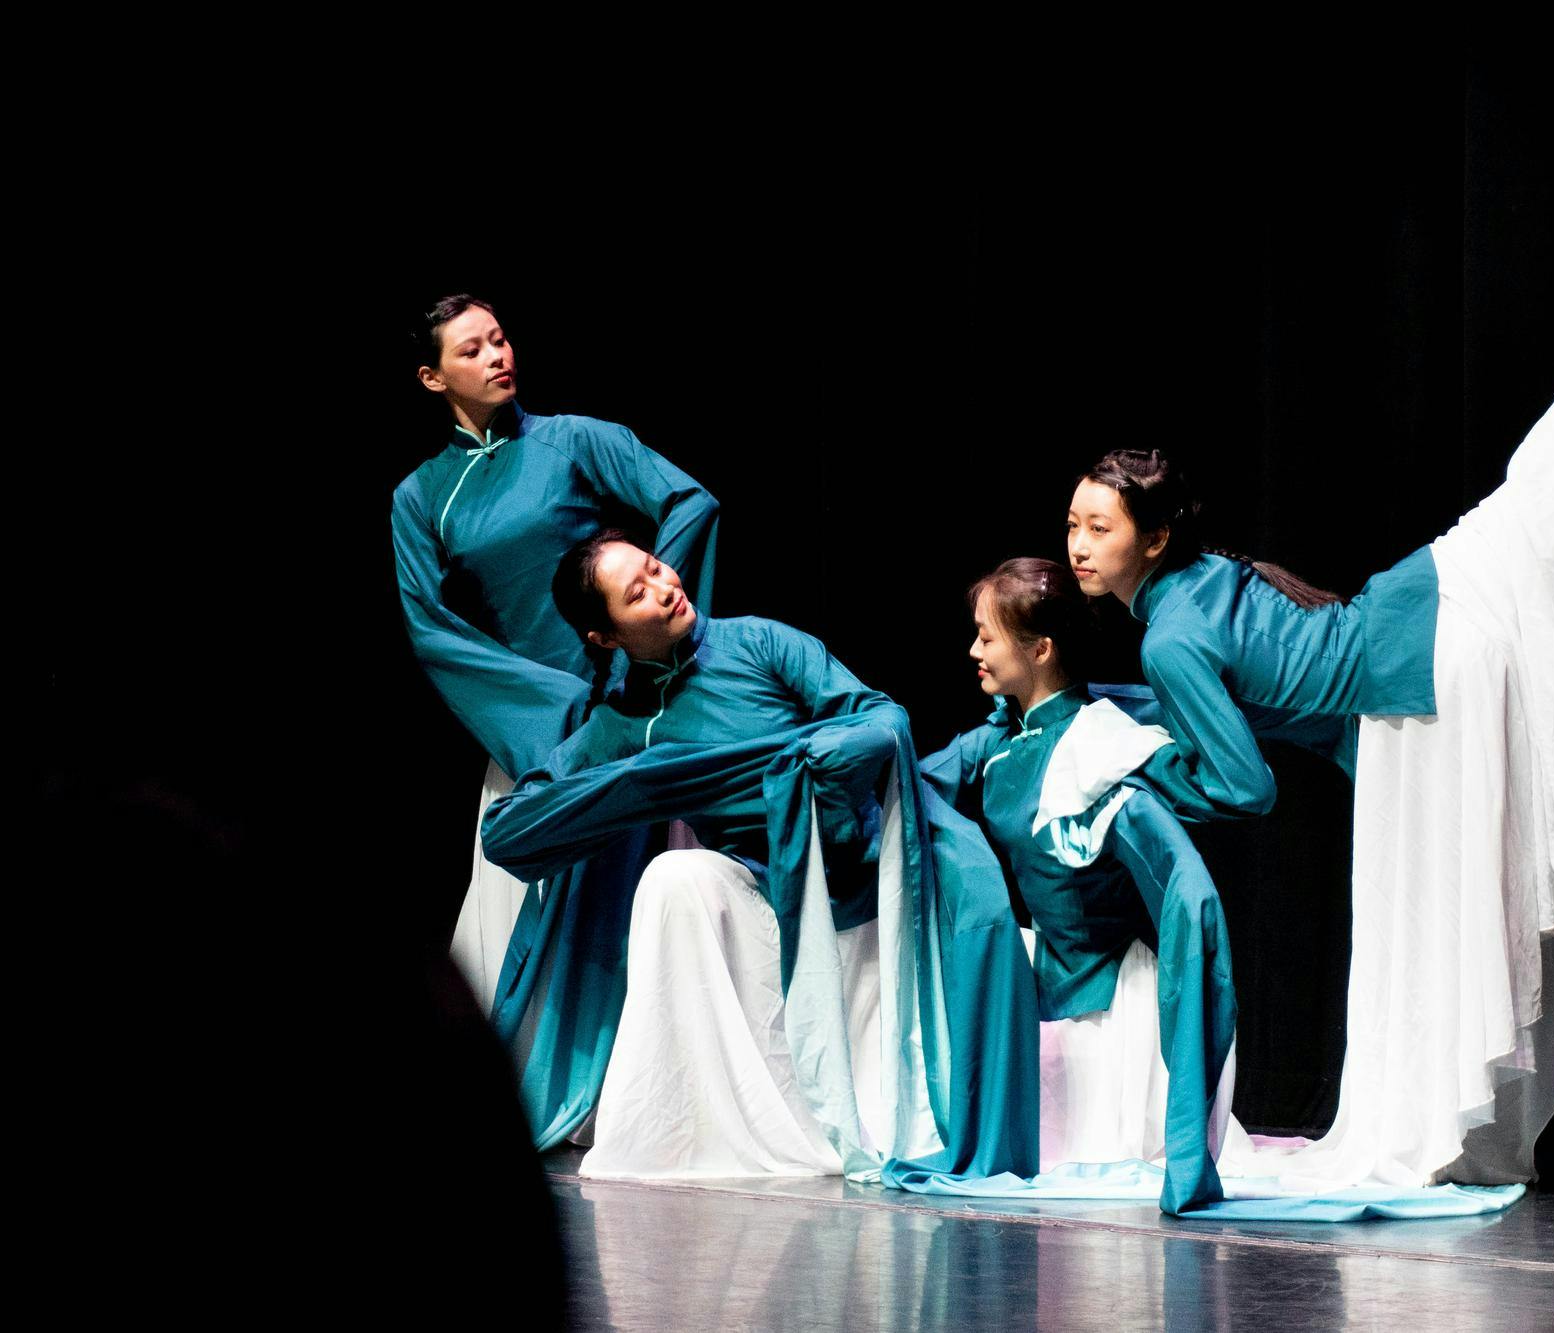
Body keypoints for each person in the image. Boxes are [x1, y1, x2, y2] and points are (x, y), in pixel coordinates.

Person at [1063, 95, 1554, 1189]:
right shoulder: (1200, 589)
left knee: (1427, 942)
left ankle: (1444, 1127)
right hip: (1429, 593)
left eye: (1094, 526)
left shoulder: (1169, 639)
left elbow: (1246, 786)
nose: (1074, 544)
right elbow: (1244, 681)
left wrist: (1141, 773)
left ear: (1151, 539)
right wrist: (1139, 720)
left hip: (1411, 694)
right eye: (1071, 524)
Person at [479, 532, 1041, 1185]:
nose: (666, 588)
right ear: (606, 637)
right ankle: (700, 1119)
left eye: (657, 569)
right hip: (771, 896)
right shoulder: (621, 727)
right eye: (638, 593)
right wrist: (637, 787)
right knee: (672, 876)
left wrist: (803, 765)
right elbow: (508, 832)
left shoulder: (756, 642)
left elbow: (882, 720)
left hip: (860, 861)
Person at [391, 295, 720, 1145]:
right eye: (473, 349)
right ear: (433, 377)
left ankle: (653, 1099)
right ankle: (511, 1103)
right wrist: (545, 711)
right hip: (534, 727)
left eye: (500, 337)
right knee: (515, 904)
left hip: (628, 710)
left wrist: (639, 643)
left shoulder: (574, 438)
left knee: (652, 901)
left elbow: (691, 501)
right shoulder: (424, 494)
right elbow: (429, 625)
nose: (499, 354)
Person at [913, 558, 1237, 1213]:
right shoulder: (1002, 739)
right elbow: (912, 787)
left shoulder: (1105, 756)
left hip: (1112, 1014)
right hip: (1041, 998)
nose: (973, 650)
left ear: (1040, 649)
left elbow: (1185, 882)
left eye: (987, 636)